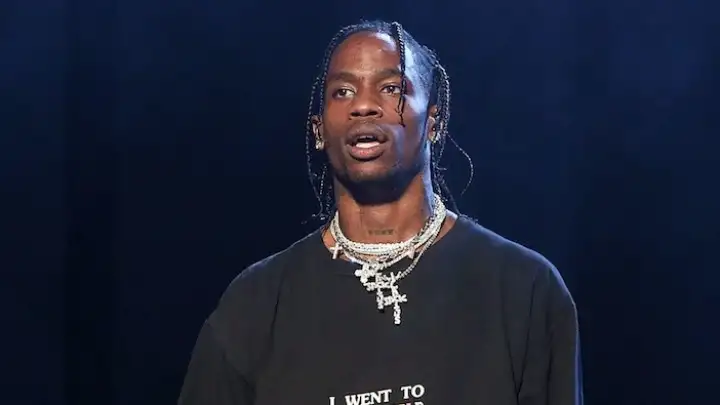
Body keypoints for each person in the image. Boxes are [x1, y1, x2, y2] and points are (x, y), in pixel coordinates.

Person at [178, 19, 583, 405]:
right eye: (343, 92)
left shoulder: (523, 289)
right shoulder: (254, 305)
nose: (363, 105)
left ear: (434, 121)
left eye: (390, 88)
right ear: (319, 129)